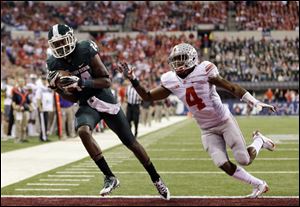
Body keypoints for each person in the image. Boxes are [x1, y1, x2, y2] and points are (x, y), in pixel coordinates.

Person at [117, 43, 277, 198]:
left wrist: (254, 101)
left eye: (182, 58)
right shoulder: (170, 79)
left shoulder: (204, 70)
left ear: (192, 58)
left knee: (244, 160)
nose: (178, 63)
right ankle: (259, 184)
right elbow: (147, 96)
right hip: (207, 128)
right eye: (176, 59)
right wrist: (133, 79)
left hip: (223, 120)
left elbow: (231, 87)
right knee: (222, 163)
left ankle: (259, 141)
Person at [46, 24, 170, 200]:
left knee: (131, 143)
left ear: (72, 38)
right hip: (86, 103)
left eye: (63, 42)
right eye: (56, 44)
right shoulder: (54, 63)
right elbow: (73, 99)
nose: (61, 47)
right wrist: (57, 89)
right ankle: (109, 176)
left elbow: (106, 81)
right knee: (82, 131)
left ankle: (156, 178)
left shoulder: (85, 49)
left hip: (104, 99)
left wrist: (81, 83)